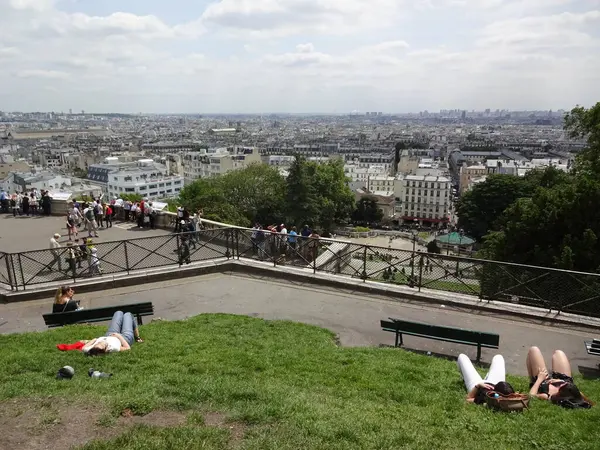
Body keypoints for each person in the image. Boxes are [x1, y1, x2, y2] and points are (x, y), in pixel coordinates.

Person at [526, 346, 592, 409]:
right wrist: (562, 381)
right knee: (559, 353)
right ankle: (563, 381)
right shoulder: (571, 390)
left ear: (559, 394)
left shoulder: (546, 396)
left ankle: (532, 380)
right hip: (564, 378)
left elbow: (531, 396)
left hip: (543, 380)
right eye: (564, 384)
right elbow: (579, 395)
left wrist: (539, 379)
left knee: (533, 350)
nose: (560, 385)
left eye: (561, 386)